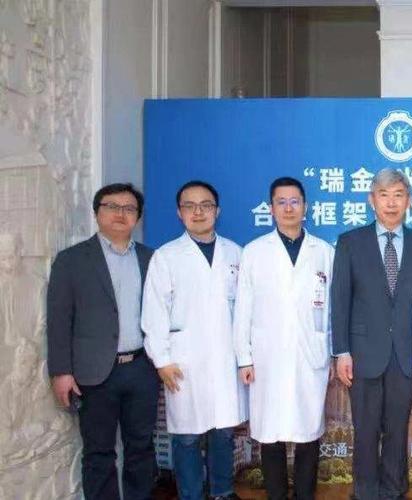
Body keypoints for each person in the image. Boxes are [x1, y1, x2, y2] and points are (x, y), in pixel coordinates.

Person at [46, 183, 158, 499]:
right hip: (93, 373)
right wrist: (61, 371)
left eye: (129, 208)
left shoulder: (152, 259)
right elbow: (59, 320)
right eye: (112, 206)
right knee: (98, 452)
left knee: (141, 448)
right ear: (97, 213)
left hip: (142, 369)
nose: (121, 214)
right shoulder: (71, 260)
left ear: (138, 217)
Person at [330, 168, 412, 500]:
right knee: (365, 429)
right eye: (384, 195)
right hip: (362, 354)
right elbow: (340, 300)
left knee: (397, 429)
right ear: (371, 200)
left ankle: (393, 490)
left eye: (398, 195)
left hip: (405, 354)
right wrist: (341, 351)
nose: (391, 203)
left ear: (409, 201)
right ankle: (365, 492)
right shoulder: (350, 242)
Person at [141, 180, 247, 500]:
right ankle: (190, 494)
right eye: (190, 206)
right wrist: (161, 360)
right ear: (179, 213)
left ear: (217, 211)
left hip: (226, 358)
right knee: (186, 437)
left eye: (206, 205)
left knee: (223, 432)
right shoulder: (167, 256)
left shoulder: (235, 253)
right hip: (183, 362)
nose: (198, 212)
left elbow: (246, 309)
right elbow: (154, 312)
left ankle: (222, 492)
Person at [232, 176, 334, 500]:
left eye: (295, 201)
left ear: (306, 207)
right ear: (271, 208)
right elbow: (243, 311)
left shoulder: (324, 252)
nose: (289, 208)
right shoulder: (255, 251)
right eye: (281, 202)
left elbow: (332, 310)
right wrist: (244, 358)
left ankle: (305, 494)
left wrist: (332, 353)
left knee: (309, 432)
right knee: (270, 432)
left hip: (311, 354)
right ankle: (276, 494)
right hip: (267, 357)